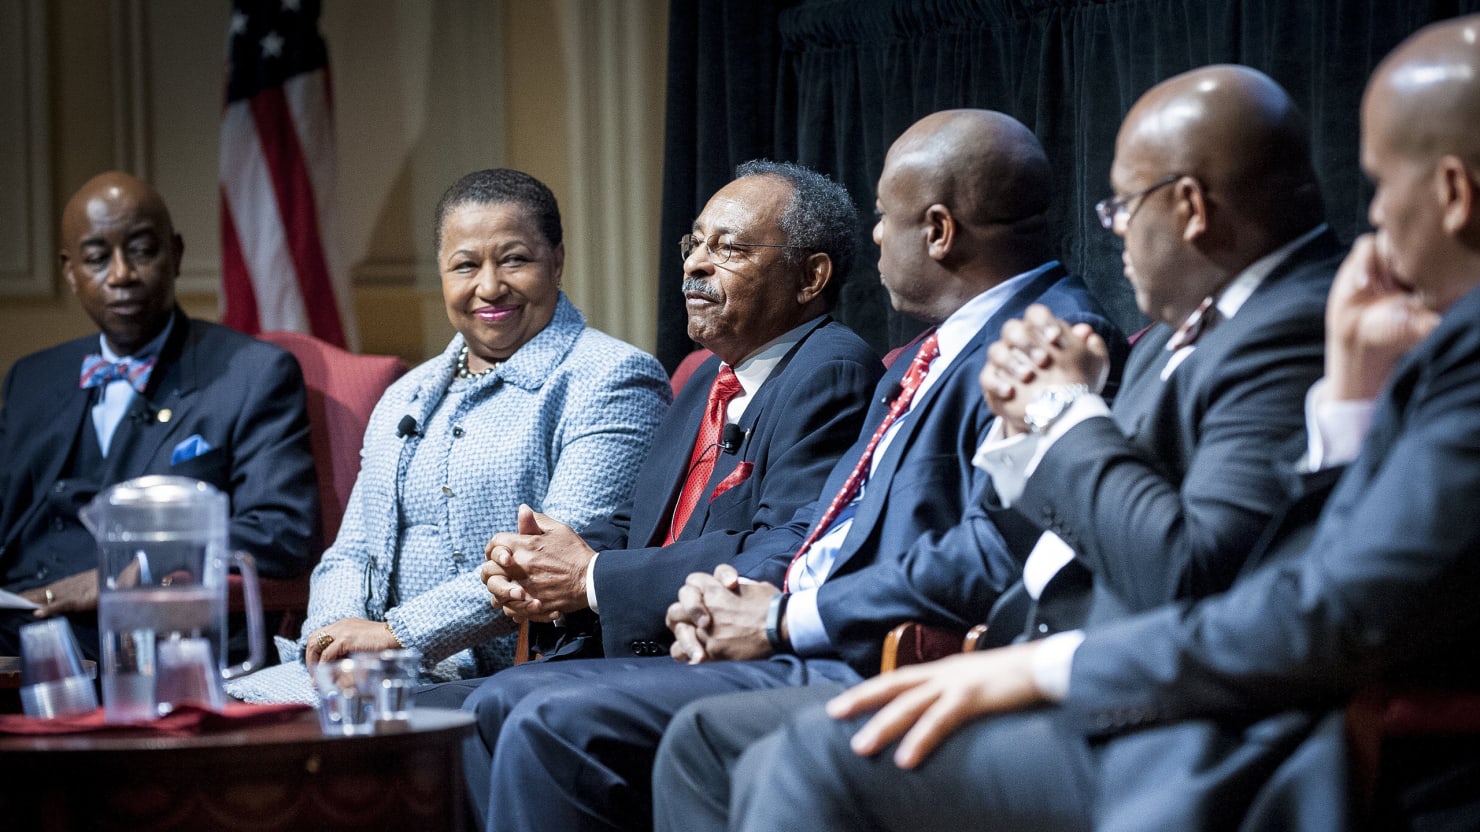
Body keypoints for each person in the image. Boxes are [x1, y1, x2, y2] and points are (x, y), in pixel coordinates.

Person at [728, 16, 1480, 832]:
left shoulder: (1329, 330)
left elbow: (1305, 602)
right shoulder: (1176, 339)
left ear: (1450, 193)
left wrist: (1054, 659)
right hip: (1120, 668)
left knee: (805, 760)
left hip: (1227, 724)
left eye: (1380, 185)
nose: (1371, 220)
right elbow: (1313, 566)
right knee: (727, 747)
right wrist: (1351, 407)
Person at [457, 109, 1124, 832]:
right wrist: (716, 601)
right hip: (796, 628)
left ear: (936, 231)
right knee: (501, 704)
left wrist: (777, 615)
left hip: (865, 651)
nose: (873, 237)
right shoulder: (938, 350)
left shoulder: (1044, 341)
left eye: (881, 217)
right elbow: (825, 525)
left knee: (553, 721)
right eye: (696, 244)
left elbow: (990, 550)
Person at [225, 168, 670, 702]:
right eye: (465, 265)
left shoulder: (613, 377)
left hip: (520, 678)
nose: (488, 286)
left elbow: (551, 563)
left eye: (514, 259)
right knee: (215, 717)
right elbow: (351, 551)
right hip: (371, 668)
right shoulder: (406, 393)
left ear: (557, 260)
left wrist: (397, 638)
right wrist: (332, 639)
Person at [468, 160, 884, 665]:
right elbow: (639, 524)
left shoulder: (830, 371)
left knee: (489, 713)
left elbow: (787, 548)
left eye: (727, 248)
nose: (694, 265)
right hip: (625, 654)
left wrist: (591, 577)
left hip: (708, 660)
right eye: (695, 244)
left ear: (810, 276)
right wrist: (538, 563)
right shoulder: (706, 377)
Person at [0, 171, 318, 659]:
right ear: (70, 272)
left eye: (143, 250)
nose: (122, 274)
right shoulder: (32, 379)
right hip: (17, 625)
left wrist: (128, 567)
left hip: (158, 632)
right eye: (97, 258)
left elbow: (283, 531)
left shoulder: (253, 374)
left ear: (176, 254)